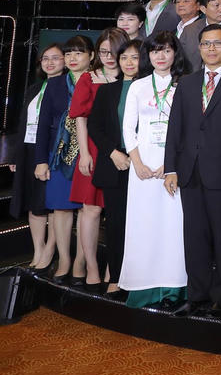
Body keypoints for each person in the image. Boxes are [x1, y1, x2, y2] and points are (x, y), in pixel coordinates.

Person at [163, 23, 221, 318]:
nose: (211, 49)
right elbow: (175, 128)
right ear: (199, 48)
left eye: (217, 43)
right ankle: (197, 295)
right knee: (194, 238)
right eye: (205, 44)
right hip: (189, 172)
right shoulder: (187, 84)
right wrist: (171, 168)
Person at [119, 32, 189, 309]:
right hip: (143, 169)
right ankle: (142, 287)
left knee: (173, 227)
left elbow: (189, 130)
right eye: (155, 51)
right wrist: (136, 163)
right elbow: (128, 128)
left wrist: (172, 164)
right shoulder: (138, 86)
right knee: (143, 225)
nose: (161, 56)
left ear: (175, 54)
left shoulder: (185, 85)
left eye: (167, 50)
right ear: (148, 55)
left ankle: (174, 288)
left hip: (173, 169)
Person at [69, 27, 129, 288]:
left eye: (114, 52)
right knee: (91, 210)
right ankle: (90, 267)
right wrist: (84, 153)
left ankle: (112, 270)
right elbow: (81, 120)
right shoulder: (89, 78)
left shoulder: (133, 77)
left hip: (123, 152)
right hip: (93, 149)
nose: (109, 57)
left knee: (118, 213)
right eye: (104, 52)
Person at [87, 37, 144, 297]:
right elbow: (94, 126)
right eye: (124, 57)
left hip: (145, 166)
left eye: (135, 57)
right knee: (116, 224)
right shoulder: (108, 91)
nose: (129, 62)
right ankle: (117, 276)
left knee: (143, 223)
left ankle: (142, 278)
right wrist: (113, 152)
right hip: (116, 164)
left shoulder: (152, 89)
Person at [34, 35, 91, 282]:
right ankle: (64, 259)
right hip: (58, 154)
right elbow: (43, 124)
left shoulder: (97, 81)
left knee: (86, 209)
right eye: (68, 54)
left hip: (89, 152)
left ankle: (80, 261)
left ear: (91, 56)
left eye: (78, 53)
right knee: (60, 207)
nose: (72, 58)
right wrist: (41, 160)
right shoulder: (55, 84)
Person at [7, 44, 65, 273]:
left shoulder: (66, 87)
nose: (49, 63)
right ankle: (38, 249)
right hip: (30, 149)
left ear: (65, 61)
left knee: (51, 204)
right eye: (45, 58)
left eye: (55, 58)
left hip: (52, 152)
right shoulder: (35, 88)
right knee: (33, 203)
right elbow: (23, 123)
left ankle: (50, 249)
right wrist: (16, 155)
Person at [174, 0, 205, 67]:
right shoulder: (174, 29)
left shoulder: (204, 29)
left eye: (186, 1)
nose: (180, 4)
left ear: (198, 6)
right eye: (178, 1)